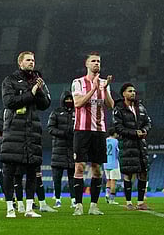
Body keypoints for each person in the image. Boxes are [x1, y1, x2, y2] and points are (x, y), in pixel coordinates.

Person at [0, 51, 51, 218]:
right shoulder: (10, 80)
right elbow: (9, 102)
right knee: (10, 169)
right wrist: (32, 92)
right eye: (28, 60)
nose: (32, 62)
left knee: (32, 169)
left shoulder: (37, 80)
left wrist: (40, 89)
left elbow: (45, 105)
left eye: (33, 60)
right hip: (14, 130)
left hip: (32, 131)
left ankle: (29, 208)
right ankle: (10, 208)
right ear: (20, 63)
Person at [71, 51, 114, 216]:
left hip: (99, 131)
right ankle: (79, 205)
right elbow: (78, 103)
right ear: (86, 64)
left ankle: (94, 206)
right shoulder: (78, 82)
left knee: (97, 169)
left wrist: (105, 89)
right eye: (94, 61)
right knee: (79, 167)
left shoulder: (104, 83)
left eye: (99, 61)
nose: (97, 63)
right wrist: (94, 89)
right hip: (81, 130)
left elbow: (110, 105)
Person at [113, 83, 152, 211]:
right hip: (127, 145)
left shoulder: (140, 107)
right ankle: (129, 202)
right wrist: (134, 133)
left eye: (134, 91)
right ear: (123, 93)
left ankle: (140, 202)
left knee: (143, 173)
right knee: (128, 174)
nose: (133, 93)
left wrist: (145, 130)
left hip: (141, 146)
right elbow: (118, 128)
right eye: (130, 91)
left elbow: (148, 122)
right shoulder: (119, 109)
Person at [48, 91, 76, 209]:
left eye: (71, 99)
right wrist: (63, 133)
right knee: (57, 178)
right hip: (58, 150)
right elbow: (50, 128)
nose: (69, 101)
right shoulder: (56, 112)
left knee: (73, 178)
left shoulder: (77, 112)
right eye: (67, 99)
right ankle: (58, 199)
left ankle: (74, 200)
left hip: (72, 149)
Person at [103, 127, 121, 205]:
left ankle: (107, 194)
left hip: (106, 163)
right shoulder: (116, 141)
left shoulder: (105, 141)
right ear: (114, 133)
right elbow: (118, 152)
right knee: (113, 181)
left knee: (108, 180)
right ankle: (112, 199)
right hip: (114, 163)